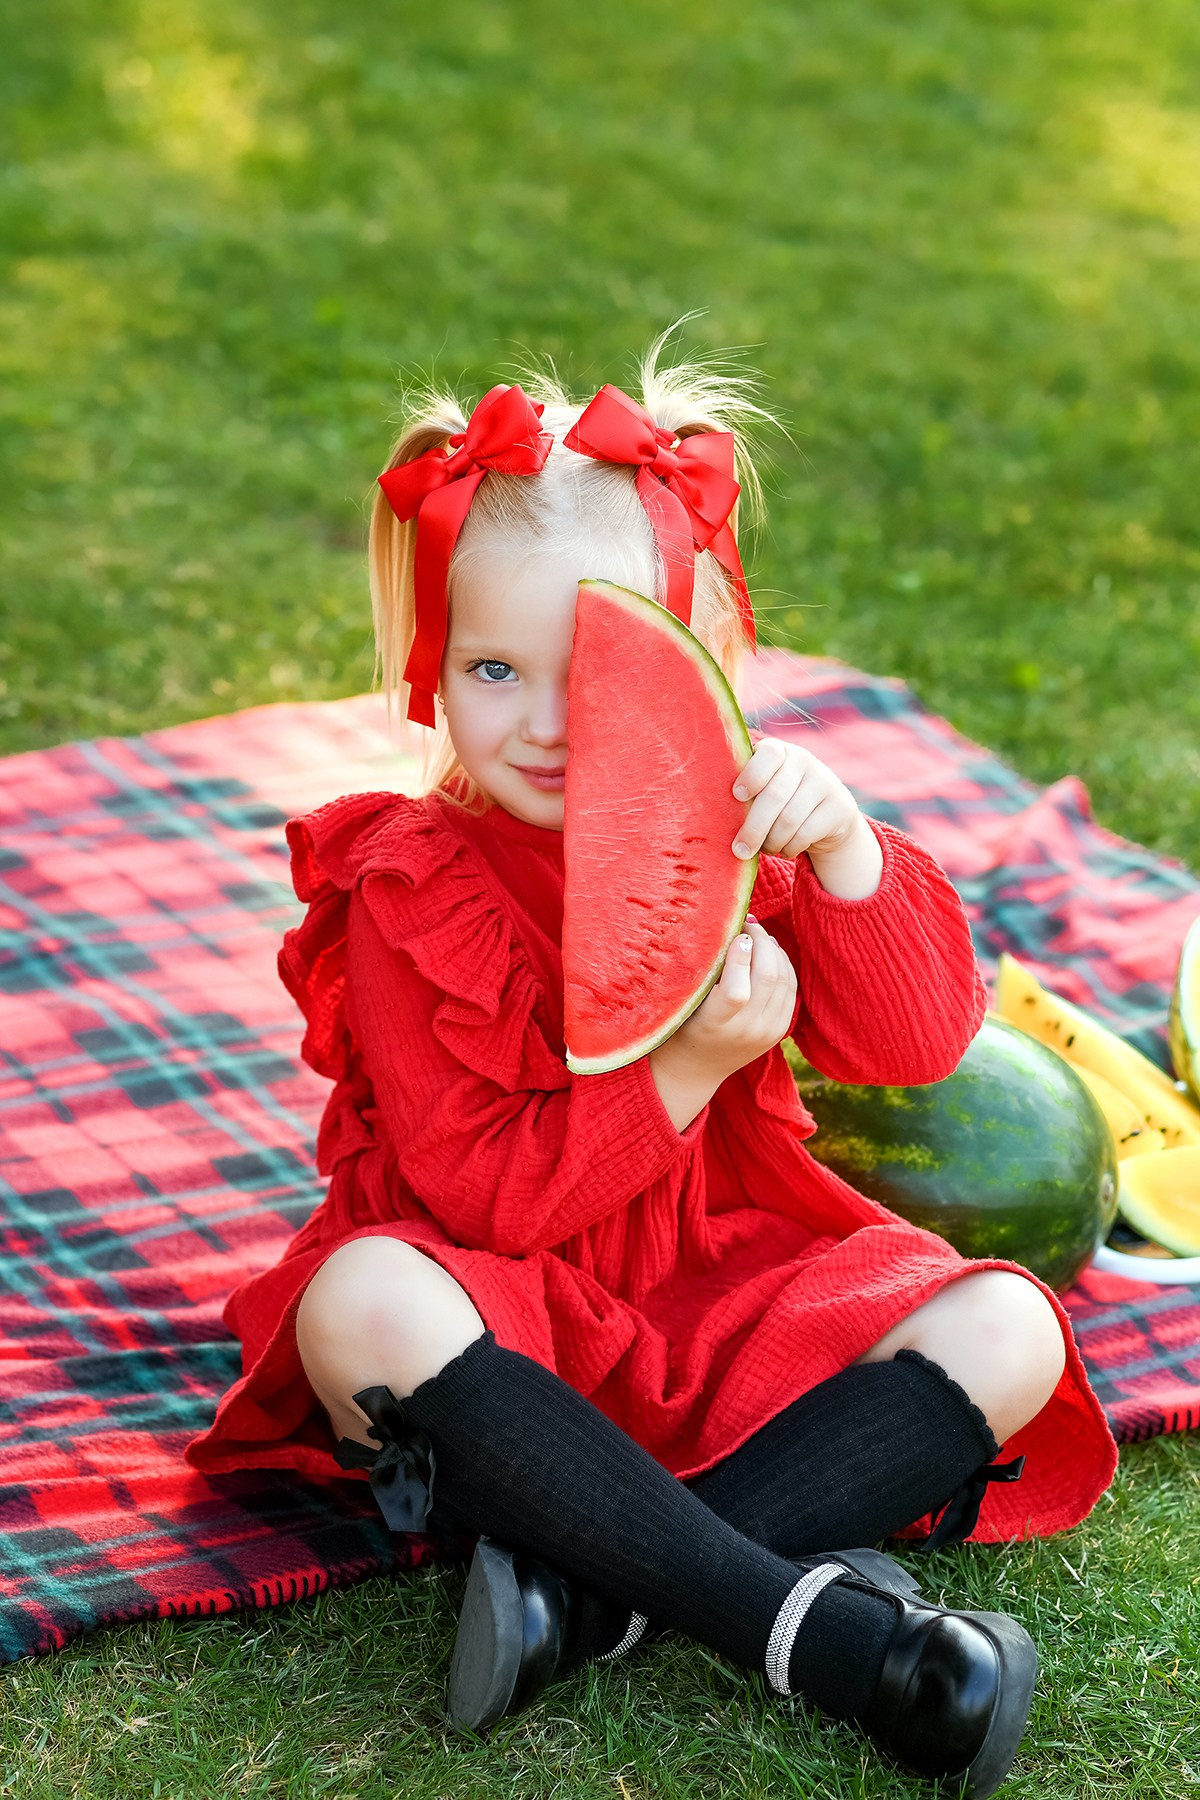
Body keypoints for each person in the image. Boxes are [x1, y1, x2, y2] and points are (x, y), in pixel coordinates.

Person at [187, 339, 1118, 1798]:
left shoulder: (750, 820)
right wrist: (680, 1073)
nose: (549, 723)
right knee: (359, 1300)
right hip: (506, 1309)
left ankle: (587, 1597)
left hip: (727, 1272)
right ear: (431, 660)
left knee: (1012, 1326)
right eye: (496, 669)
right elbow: (483, 1199)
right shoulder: (410, 881)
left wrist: (847, 854)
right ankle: (821, 1639)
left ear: (702, 653)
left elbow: (920, 1041)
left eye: (600, 669)